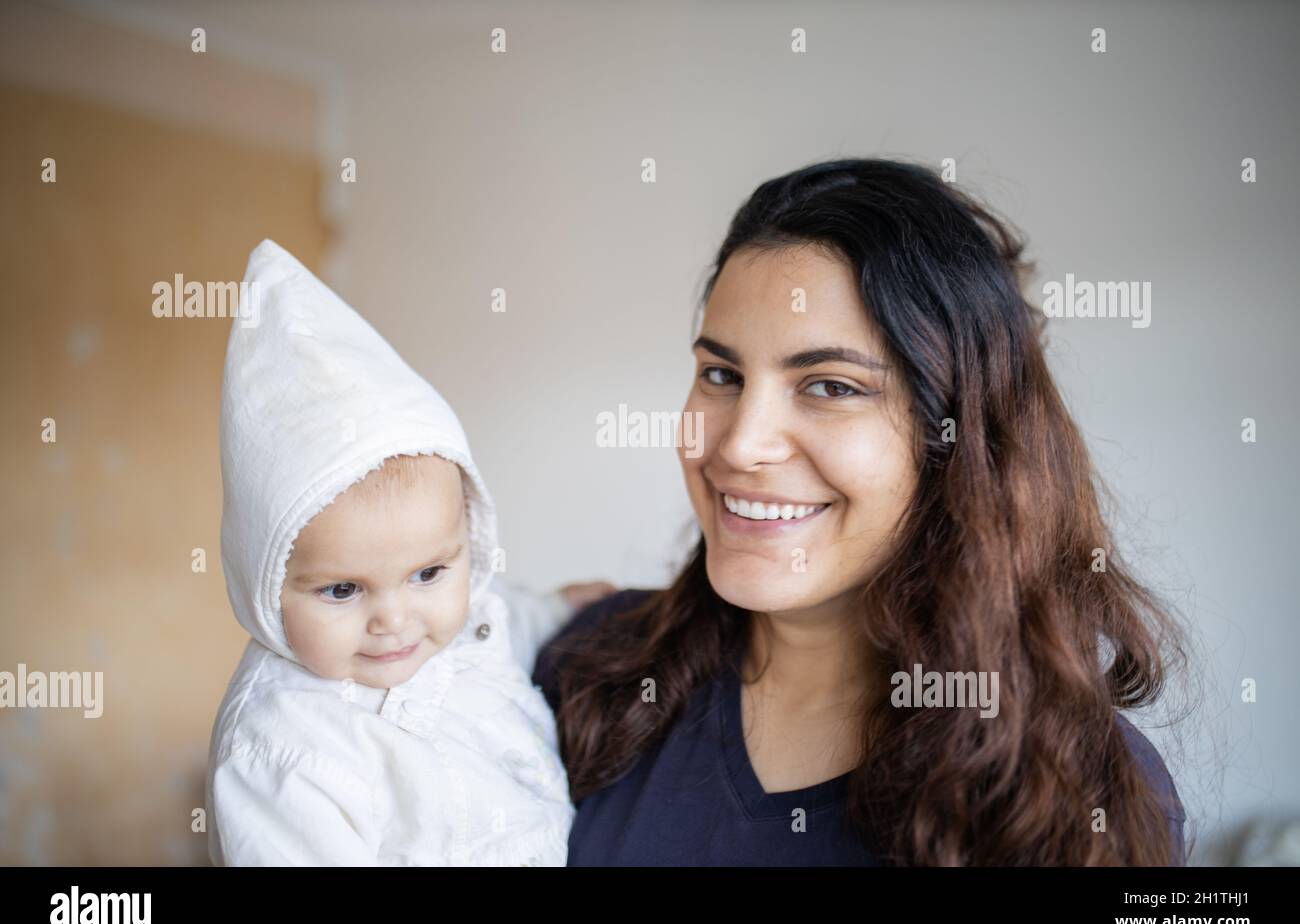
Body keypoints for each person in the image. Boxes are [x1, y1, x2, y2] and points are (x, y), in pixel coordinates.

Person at [534, 158, 1189, 866]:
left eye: (831, 386)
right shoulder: (584, 671)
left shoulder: (1076, 796)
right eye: (721, 375)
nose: (742, 444)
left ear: (958, 440)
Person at [206, 238, 607, 865]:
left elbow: (509, 616)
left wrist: (564, 605)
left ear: (466, 543)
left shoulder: (474, 616)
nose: (394, 619)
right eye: (342, 589)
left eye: (427, 573)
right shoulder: (281, 747)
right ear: (265, 583)